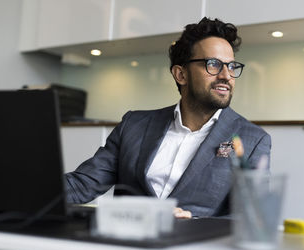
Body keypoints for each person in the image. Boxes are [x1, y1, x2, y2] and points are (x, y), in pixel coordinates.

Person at [64, 17, 271, 218]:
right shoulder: (133, 125)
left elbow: (250, 217)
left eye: (232, 66)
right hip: (126, 243)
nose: (226, 75)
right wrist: (34, 187)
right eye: (214, 64)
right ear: (181, 75)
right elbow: (83, 185)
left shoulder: (252, 139)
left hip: (194, 249)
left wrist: (196, 222)